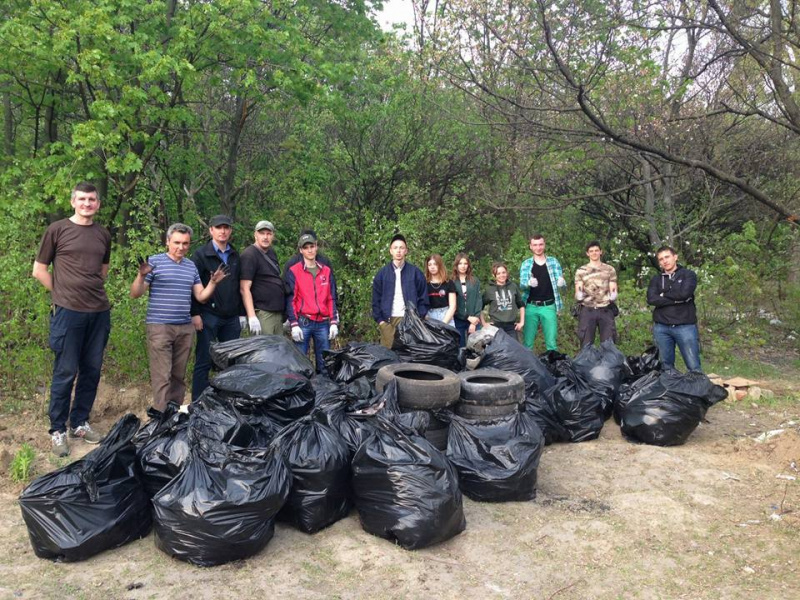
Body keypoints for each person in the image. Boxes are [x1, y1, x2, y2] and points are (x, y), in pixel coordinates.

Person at [33, 182, 111, 456]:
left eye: (92, 199)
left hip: (98, 312)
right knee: (65, 372)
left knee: (91, 370)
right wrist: (61, 294)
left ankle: (79, 422)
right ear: (73, 202)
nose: (87, 204)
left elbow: (102, 271)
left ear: (98, 203)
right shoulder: (57, 230)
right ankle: (58, 430)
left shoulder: (103, 234)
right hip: (68, 313)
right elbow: (39, 270)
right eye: (82, 199)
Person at [130, 223, 227, 415]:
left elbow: (201, 296)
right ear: (167, 242)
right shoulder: (154, 262)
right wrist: (141, 276)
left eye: (185, 243)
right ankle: (160, 416)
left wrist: (213, 283)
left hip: (184, 327)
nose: (181, 247)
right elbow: (135, 293)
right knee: (162, 375)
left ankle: (174, 415)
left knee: (178, 376)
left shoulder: (190, 266)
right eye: (176, 243)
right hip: (160, 327)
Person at [189, 215, 243, 401]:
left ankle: (228, 401)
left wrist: (242, 314)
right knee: (204, 360)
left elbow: (238, 285)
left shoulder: (234, 255)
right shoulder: (201, 255)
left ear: (230, 230)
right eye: (219, 227)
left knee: (231, 362)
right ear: (211, 230)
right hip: (209, 315)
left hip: (231, 318)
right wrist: (195, 313)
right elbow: (192, 285)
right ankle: (198, 401)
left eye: (226, 227)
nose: (223, 231)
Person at [285, 233, 339, 375]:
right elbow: (291, 299)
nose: (309, 250)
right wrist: (294, 323)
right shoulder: (294, 271)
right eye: (306, 247)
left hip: (323, 323)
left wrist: (333, 321)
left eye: (312, 246)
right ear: (301, 250)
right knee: (300, 364)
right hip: (304, 322)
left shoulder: (326, 271)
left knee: (324, 364)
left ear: (316, 247)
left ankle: (324, 387)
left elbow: (331, 297)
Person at [646, 245, 701, 371]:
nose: (665, 261)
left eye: (667, 257)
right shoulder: (656, 279)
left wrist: (662, 295)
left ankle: (697, 383)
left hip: (685, 326)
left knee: (693, 366)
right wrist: (676, 299)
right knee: (666, 367)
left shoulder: (688, 275)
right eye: (661, 259)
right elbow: (651, 299)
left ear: (675, 257)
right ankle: (670, 383)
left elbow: (684, 294)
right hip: (662, 327)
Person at [372, 234, 429, 348]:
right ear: (390, 251)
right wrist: (381, 322)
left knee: (410, 354)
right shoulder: (382, 274)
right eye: (395, 248)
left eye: (401, 248)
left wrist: (418, 318)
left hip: (411, 321)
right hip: (388, 321)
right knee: (389, 355)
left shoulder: (415, 273)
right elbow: (375, 300)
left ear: (406, 251)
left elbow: (424, 298)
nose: (398, 251)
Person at [519, 234, 566, 352]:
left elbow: (562, 286)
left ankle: (552, 362)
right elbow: (522, 286)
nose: (538, 247)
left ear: (544, 245)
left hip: (549, 306)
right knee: (527, 343)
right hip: (530, 306)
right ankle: (528, 363)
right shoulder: (526, 264)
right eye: (535, 245)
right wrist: (528, 283)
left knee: (551, 343)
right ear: (531, 246)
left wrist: (562, 283)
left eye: (540, 244)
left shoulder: (553, 262)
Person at [240, 220, 286, 336]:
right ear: (255, 235)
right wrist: (251, 316)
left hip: (277, 313)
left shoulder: (271, 253)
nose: (265, 237)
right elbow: (244, 288)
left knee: (278, 347)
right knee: (265, 347)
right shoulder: (249, 255)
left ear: (273, 236)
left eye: (269, 234)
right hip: (262, 313)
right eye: (262, 233)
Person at [574, 240, 618, 347]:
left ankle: (609, 358)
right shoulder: (581, 270)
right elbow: (578, 289)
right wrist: (578, 295)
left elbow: (613, 287)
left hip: (606, 309)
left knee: (609, 344)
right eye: (591, 251)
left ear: (601, 252)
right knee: (586, 344)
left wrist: (613, 295)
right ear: (587, 253)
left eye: (596, 250)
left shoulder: (610, 269)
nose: (594, 253)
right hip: (587, 309)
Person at [482, 262, 525, 339]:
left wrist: (521, 322)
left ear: (507, 273)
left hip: (511, 327)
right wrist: (484, 323)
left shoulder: (513, 286)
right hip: (496, 327)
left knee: (513, 346)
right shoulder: (489, 289)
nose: (501, 275)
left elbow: (521, 305)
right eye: (498, 273)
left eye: (503, 272)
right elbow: (479, 307)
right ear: (494, 275)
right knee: (497, 346)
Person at [452, 253, 482, 347]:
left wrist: (474, 320)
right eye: (460, 263)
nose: (463, 266)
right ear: (456, 265)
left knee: (476, 348)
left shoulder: (475, 281)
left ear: (468, 265)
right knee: (460, 348)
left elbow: (478, 300)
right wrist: (467, 317)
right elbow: (452, 304)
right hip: (458, 319)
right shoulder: (451, 281)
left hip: (474, 320)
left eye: (465, 263)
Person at [424, 254, 456, 326]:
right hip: (429, 317)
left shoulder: (449, 283)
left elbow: (453, 306)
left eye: (435, 264)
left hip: (446, 316)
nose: (432, 267)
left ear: (440, 265)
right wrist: (427, 319)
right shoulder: (424, 283)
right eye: (429, 265)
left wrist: (443, 324)